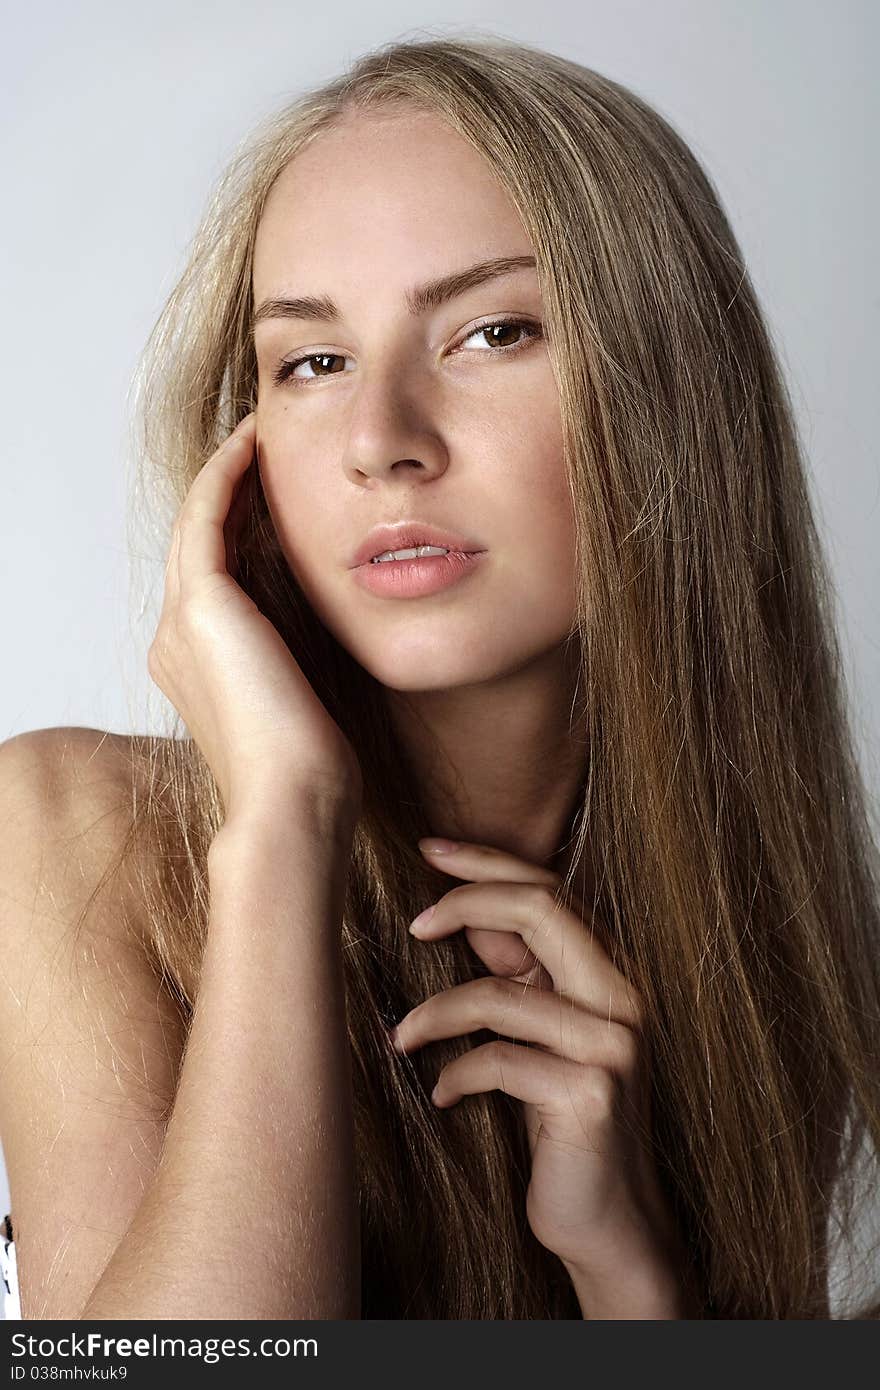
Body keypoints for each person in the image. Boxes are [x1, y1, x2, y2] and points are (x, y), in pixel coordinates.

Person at [1, 33, 878, 1322]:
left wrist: (632, 1282)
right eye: (312, 361)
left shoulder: (750, 929)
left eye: (493, 331)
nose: (380, 441)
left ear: (672, 395)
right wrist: (285, 828)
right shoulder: (67, 832)